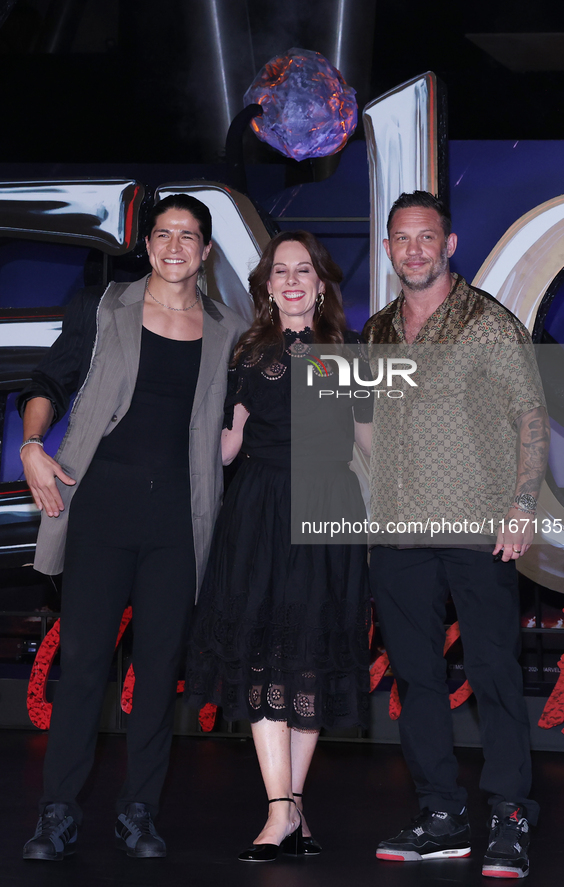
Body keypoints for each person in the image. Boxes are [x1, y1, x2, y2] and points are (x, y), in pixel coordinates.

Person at [18, 194, 247, 860]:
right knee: (85, 666)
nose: (175, 245)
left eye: (189, 236)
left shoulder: (227, 328)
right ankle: (56, 812)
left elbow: (237, 414)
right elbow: (49, 380)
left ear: (205, 252)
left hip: (178, 520)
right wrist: (33, 443)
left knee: (156, 673)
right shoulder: (102, 306)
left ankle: (138, 811)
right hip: (100, 511)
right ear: (147, 243)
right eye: (163, 233)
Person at [363, 191, 549, 880]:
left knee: (493, 672)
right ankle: (440, 813)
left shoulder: (488, 323)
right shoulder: (378, 330)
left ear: (448, 245)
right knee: (415, 679)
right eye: (400, 238)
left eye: (426, 237)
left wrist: (522, 504)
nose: (413, 248)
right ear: (387, 249)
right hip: (398, 529)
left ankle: (508, 811)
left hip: (478, 525)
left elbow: (529, 416)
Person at [184, 230, 372, 862]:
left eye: (304, 270)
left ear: (322, 284)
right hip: (260, 510)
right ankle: (282, 811)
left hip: (327, 509)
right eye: (280, 271)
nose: (292, 280)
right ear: (267, 287)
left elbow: (374, 442)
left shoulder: (349, 353)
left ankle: (288, 810)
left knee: (310, 655)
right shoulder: (247, 350)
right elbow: (229, 443)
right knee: (265, 654)